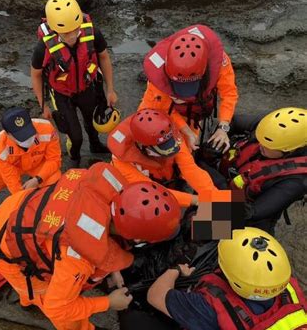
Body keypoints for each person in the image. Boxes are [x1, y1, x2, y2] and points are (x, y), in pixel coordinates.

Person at [0, 162, 182, 330]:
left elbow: (102, 236)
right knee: (53, 304)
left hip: (20, 207)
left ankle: (27, 297)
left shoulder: (110, 192)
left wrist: (112, 268)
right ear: (138, 239)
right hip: (5, 246)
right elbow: (58, 307)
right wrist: (108, 303)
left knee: (38, 283)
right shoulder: (77, 258)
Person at [147, 227, 307, 330]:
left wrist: (175, 270)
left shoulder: (209, 307)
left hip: (221, 329)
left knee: (134, 322)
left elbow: (155, 295)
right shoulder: (288, 287)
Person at [31, 0, 117, 167]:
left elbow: (104, 57)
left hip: (87, 87)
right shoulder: (43, 47)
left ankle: (95, 145)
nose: (71, 36)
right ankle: (74, 156)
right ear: (55, 29)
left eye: (75, 30)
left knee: (92, 124)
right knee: (75, 135)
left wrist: (110, 89)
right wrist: (43, 105)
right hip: (62, 94)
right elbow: (36, 75)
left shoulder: (92, 32)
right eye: (66, 33)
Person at [202, 107, 307, 233]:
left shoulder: (295, 182)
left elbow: (252, 212)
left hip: (250, 208)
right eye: (260, 138)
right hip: (232, 174)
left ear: (289, 151)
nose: (260, 144)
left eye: (268, 145)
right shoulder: (269, 126)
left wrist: (218, 184)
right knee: (200, 158)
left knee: (202, 230)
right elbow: (234, 121)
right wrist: (221, 136)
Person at [140, 24, 238, 153]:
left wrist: (223, 126)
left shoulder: (219, 63)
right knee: (149, 137)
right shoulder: (157, 80)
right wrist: (186, 131)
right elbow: (163, 107)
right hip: (160, 108)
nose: (184, 96)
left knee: (189, 148)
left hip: (194, 112)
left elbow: (229, 93)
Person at [108, 108, 217, 207]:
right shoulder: (121, 161)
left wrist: (213, 195)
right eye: (163, 149)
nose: (169, 151)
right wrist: (197, 200)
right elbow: (152, 191)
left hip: (168, 178)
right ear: (142, 146)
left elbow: (190, 168)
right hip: (145, 197)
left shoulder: (167, 132)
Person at [0, 107, 61, 204]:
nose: (28, 139)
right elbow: (11, 179)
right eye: (22, 137)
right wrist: (22, 197)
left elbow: (54, 160)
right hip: (12, 167)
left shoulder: (47, 129)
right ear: (8, 134)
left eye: (29, 132)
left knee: (54, 179)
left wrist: (37, 179)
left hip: (36, 163)